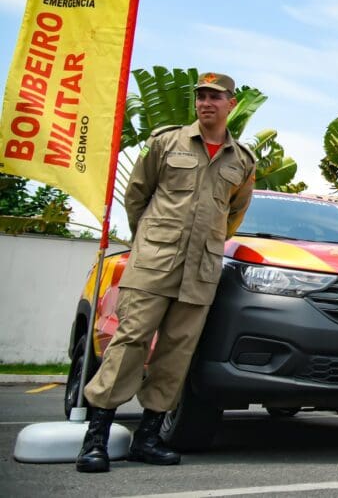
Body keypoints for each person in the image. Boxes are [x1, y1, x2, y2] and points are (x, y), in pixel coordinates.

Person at [76, 73, 256, 473]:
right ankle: (96, 439)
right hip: (154, 263)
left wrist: (204, 246)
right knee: (130, 343)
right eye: (201, 96)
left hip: (200, 271)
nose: (206, 102)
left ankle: (148, 438)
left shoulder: (241, 161)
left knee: (176, 354)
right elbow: (137, 195)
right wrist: (150, 241)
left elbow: (233, 215)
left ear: (231, 103)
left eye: (215, 97)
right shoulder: (166, 142)